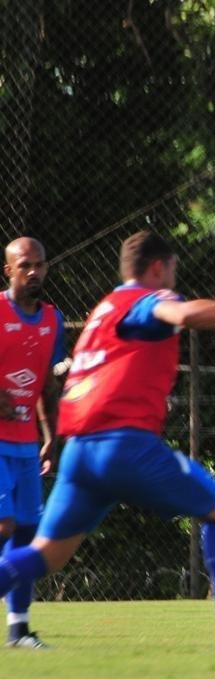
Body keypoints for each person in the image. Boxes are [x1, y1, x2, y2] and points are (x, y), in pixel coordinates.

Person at [0, 230, 215, 657]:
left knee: (46, 556)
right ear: (158, 268)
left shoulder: (106, 308)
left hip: (80, 451)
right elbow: (182, 313)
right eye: (172, 270)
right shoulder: (145, 300)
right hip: (122, 445)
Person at [0, 238, 66, 649]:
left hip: (26, 443)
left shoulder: (53, 319)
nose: (33, 272)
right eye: (25, 265)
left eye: (39, 264)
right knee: (3, 524)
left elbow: (45, 382)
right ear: (8, 270)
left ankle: (18, 630)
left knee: (25, 534)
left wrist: (50, 434)